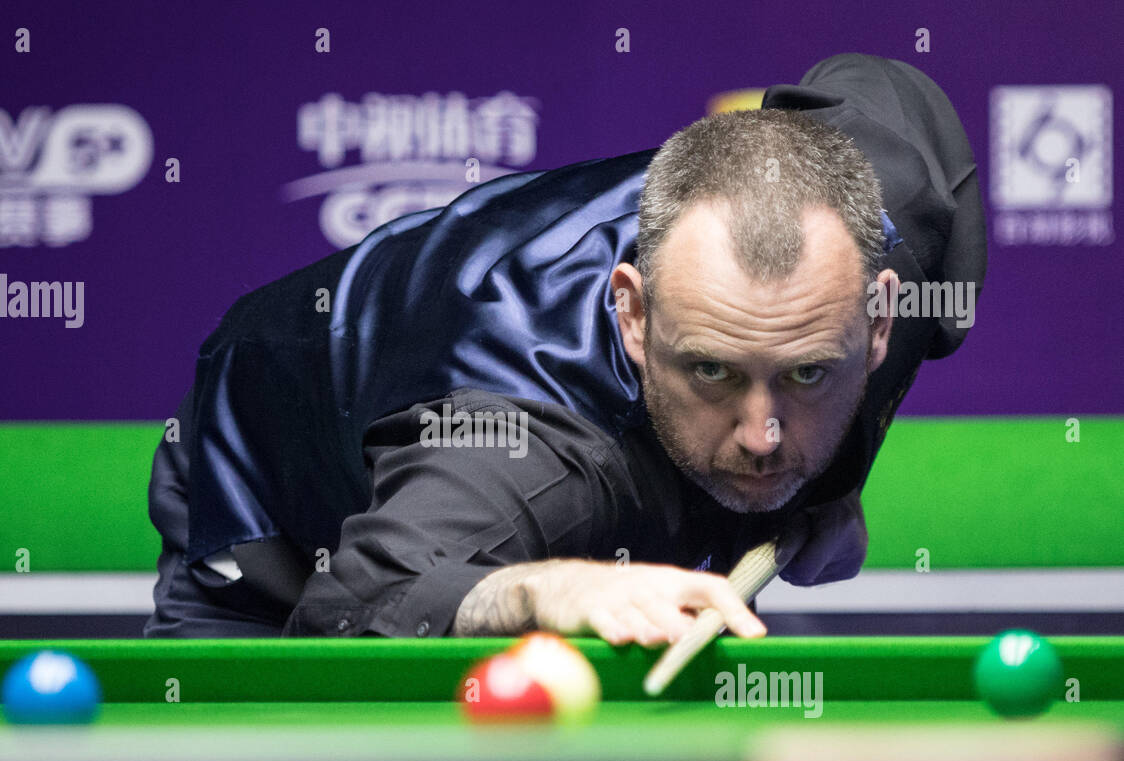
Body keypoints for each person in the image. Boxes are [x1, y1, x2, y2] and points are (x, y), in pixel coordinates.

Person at [145, 53, 986, 644]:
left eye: (807, 372)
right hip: (267, 462)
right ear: (634, 315)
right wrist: (555, 586)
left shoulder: (894, 220)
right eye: (712, 371)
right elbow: (361, 597)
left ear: (880, 323)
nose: (764, 435)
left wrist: (831, 480)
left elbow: (885, 86)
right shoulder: (523, 443)